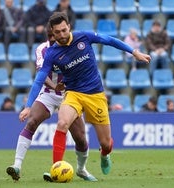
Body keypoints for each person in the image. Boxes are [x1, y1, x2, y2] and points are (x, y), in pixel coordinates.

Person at [20, 12, 151, 180]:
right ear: (52, 32)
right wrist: (28, 105)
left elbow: (110, 40)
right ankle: (56, 169)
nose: (61, 34)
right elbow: (39, 80)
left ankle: (105, 154)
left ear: (69, 26)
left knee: (106, 143)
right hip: (73, 93)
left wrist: (134, 52)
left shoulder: (84, 37)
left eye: (63, 30)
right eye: (57, 32)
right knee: (62, 123)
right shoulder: (52, 53)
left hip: (95, 94)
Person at [6, 23, 97, 182]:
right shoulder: (43, 49)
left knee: (81, 138)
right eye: (52, 35)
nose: (56, 37)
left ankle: (82, 170)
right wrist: (29, 106)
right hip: (48, 93)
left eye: (58, 33)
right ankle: (17, 166)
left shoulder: (74, 45)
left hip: (70, 95)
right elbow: (41, 76)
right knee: (32, 121)